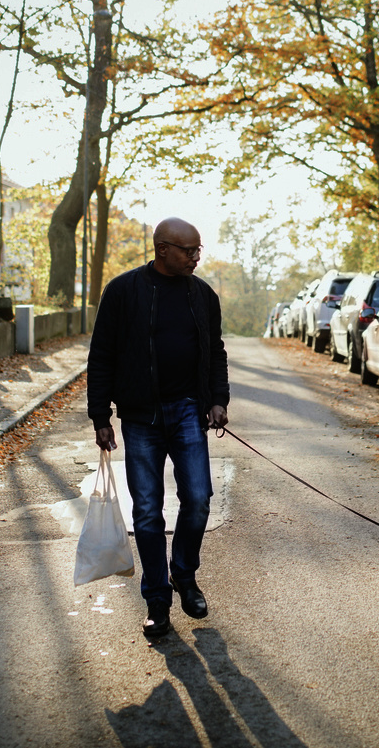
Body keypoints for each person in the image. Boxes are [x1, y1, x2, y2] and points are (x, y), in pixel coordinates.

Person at [87, 217, 230, 638]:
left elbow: (215, 353)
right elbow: (102, 356)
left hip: (188, 411)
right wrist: (100, 417)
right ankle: (157, 601)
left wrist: (218, 399)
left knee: (199, 499)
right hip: (139, 416)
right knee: (147, 512)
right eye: (188, 250)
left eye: (198, 250)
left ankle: (184, 574)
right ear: (162, 248)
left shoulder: (203, 295)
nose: (195, 257)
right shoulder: (123, 291)